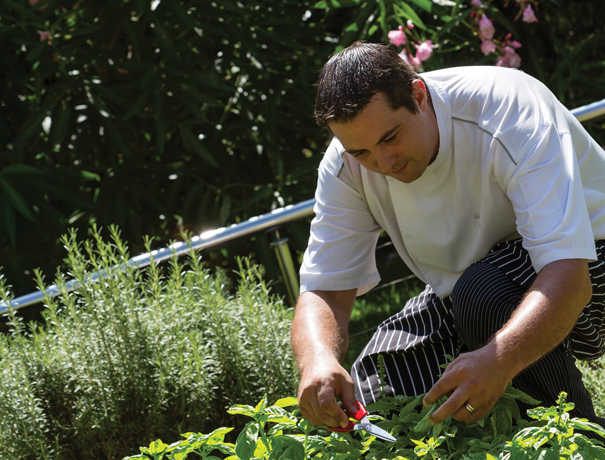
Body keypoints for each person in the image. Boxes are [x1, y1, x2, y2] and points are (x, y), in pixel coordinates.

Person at [291, 41, 605, 430]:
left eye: (390, 138)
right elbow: (323, 290)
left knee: (485, 295)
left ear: (418, 96)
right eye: (362, 152)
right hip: (474, 286)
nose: (382, 164)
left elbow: (570, 275)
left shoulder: (508, 107)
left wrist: (499, 359)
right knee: (377, 391)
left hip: (591, 257)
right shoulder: (344, 165)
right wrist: (317, 359)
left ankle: (580, 441)